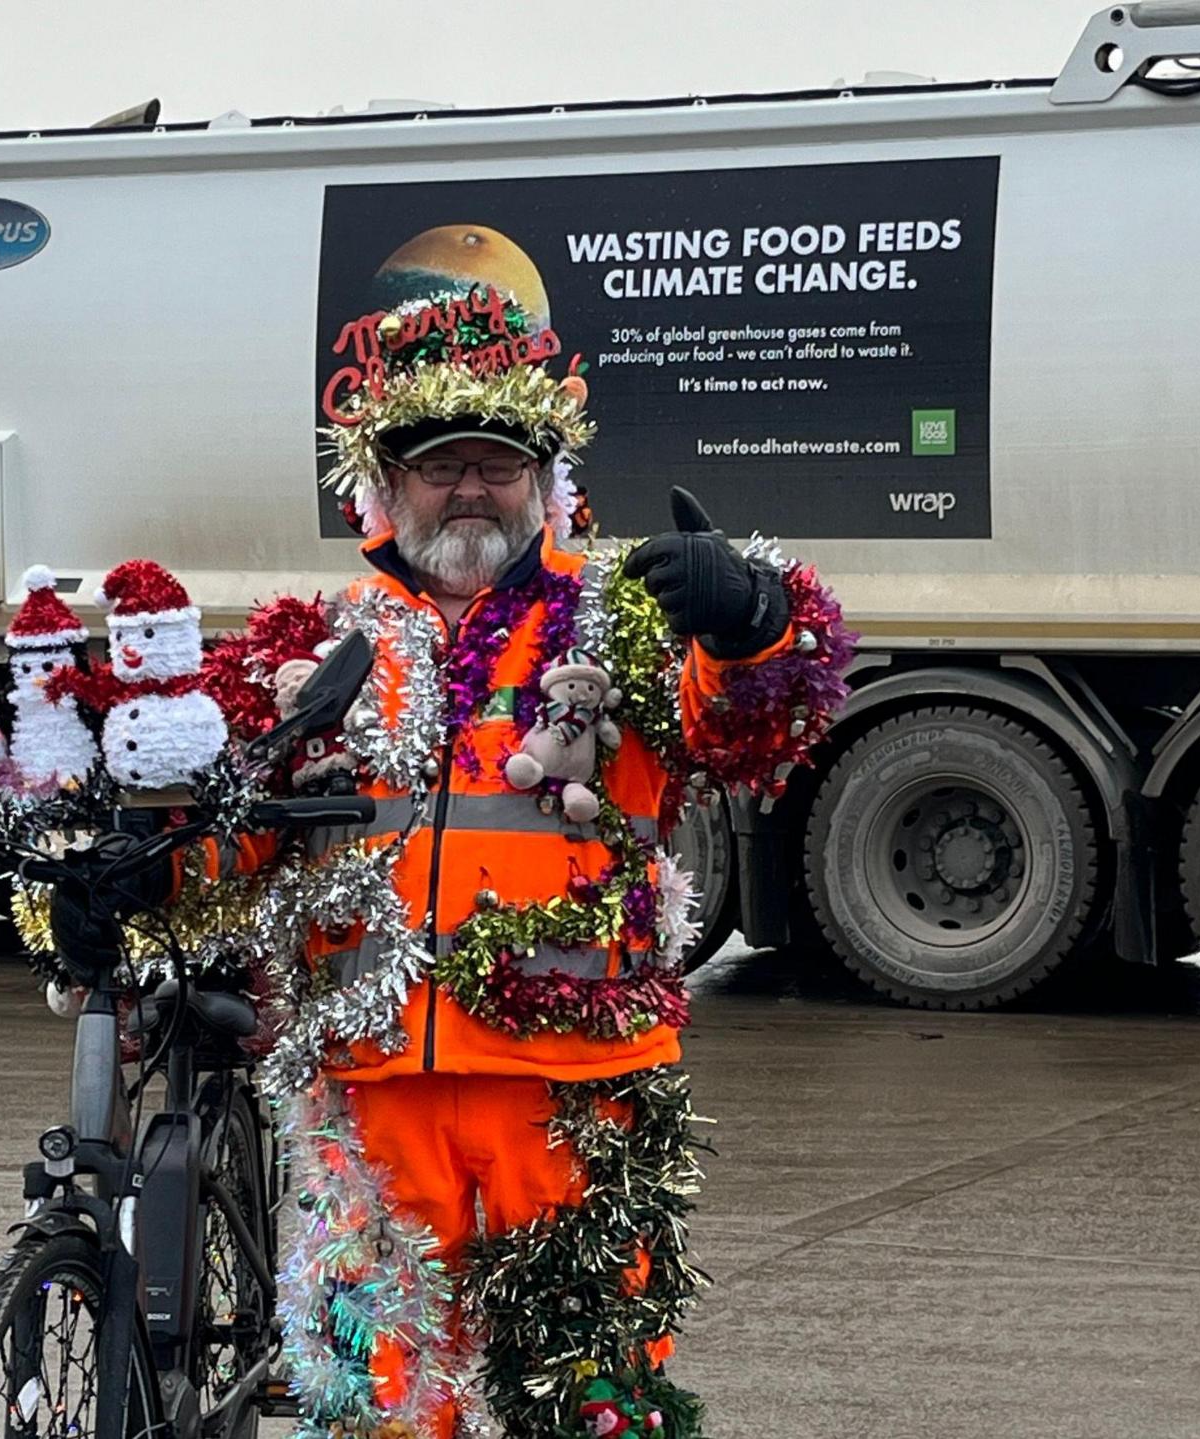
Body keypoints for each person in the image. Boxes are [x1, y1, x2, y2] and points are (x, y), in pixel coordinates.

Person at [243, 286, 854, 1439]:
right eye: (439, 464)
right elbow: (242, 817)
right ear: (385, 480)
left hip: (570, 1087)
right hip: (374, 1090)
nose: (470, 486)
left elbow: (748, 734)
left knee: (584, 1393)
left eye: (498, 462)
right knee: (387, 1399)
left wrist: (748, 622)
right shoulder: (321, 640)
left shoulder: (613, 613)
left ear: (543, 478)